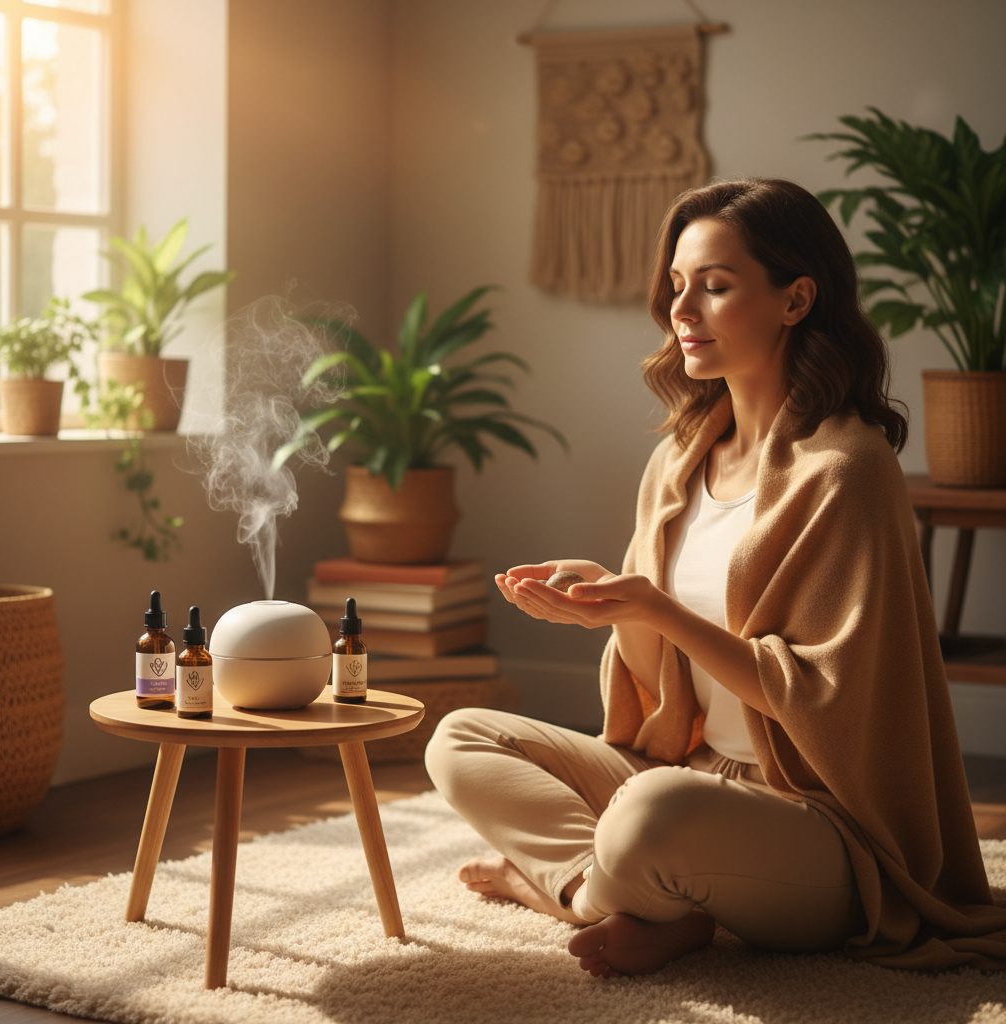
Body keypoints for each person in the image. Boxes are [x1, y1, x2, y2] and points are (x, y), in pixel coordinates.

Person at [424, 178, 1006, 978]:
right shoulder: (678, 460)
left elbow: (823, 698)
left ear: (795, 299)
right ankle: (626, 899)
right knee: (461, 738)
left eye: (716, 287)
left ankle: (557, 887)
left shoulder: (847, 468)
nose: (681, 312)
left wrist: (658, 607)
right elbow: (656, 691)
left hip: (818, 822)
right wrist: (614, 602)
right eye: (676, 287)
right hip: (687, 775)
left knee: (648, 814)